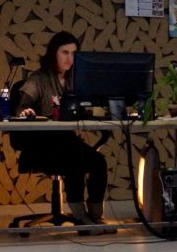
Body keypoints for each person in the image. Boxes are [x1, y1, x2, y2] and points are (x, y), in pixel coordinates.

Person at [15, 31, 115, 234]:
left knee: (99, 162)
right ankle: (79, 216)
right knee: (74, 160)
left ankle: (96, 216)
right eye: (65, 52)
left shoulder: (77, 80)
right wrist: (26, 112)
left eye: (74, 53)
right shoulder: (39, 79)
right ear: (54, 53)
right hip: (43, 144)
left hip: (69, 140)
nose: (70, 58)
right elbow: (21, 107)